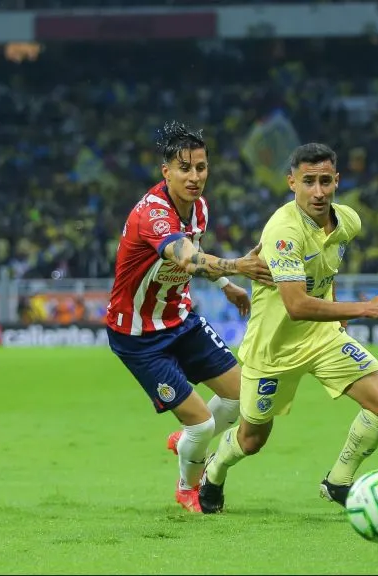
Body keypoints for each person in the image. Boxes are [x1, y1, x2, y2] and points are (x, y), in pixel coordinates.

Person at [196, 143, 378, 514]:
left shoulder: (348, 222)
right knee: (252, 439)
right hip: (273, 349)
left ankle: (338, 482)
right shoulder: (283, 231)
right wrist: (364, 309)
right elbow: (296, 306)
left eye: (326, 181)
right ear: (291, 182)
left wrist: (338, 310)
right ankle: (215, 469)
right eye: (309, 181)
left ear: (337, 181)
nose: (319, 191)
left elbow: (327, 268)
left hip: (322, 338)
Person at [104, 120, 274, 513]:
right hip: (138, 337)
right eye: (185, 169)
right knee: (201, 423)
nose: (195, 177)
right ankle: (187, 487)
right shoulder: (154, 215)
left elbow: (195, 253)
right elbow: (183, 256)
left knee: (241, 395)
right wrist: (238, 266)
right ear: (167, 172)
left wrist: (224, 285)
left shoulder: (199, 207)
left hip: (180, 319)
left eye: (201, 168)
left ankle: (185, 443)